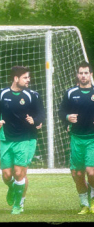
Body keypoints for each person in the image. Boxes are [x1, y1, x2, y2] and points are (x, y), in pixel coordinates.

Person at [0, 66, 44, 215]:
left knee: (19, 173)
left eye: (28, 77)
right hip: (6, 138)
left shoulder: (32, 95)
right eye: (25, 77)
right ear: (16, 78)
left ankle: (18, 204)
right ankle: (13, 188)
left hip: (25, 138)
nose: (28, 80)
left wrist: (35, 120)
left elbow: (41, 113)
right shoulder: (2, 94)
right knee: (7, 175)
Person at [59, 61, 94, 215]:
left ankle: (93, 199)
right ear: (77, 75)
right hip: (76, 138)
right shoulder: (70, 93)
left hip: (92, 138)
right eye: (81, 73)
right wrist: (67, 117)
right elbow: (61, 113)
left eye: (86, 73)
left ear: (91, 74)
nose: (83, 75)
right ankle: (84, 204)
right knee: (77, 174)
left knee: (91, 172)